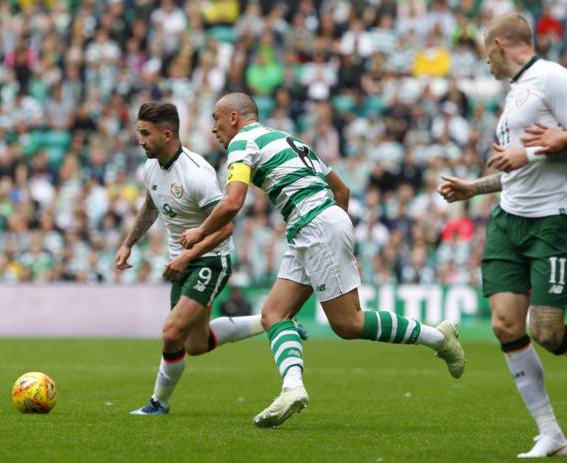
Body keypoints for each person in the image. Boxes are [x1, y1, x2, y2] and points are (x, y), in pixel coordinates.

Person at [180, 92, 465, 428]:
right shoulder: (287, 138)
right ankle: (292, 388)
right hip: (312, 227)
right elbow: (341, 190)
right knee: (274, 314)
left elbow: (232, 203)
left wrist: (199, 233)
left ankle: (438, 337)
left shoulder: (242, 143)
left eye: (216, 118)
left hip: (315, 226)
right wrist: (334, 230)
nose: (213, 128)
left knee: (348, 324)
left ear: (234, 118)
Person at [115, 102, 306, 416]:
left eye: (146, 133)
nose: (141, 140)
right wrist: (128, 243)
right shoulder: (150, 168)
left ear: (167, 134)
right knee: (195, 344)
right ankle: (274, 322)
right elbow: (150, 207)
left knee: (172, 332)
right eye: (139, 133)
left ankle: (158, 403)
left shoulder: (196, 173)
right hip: (183, 262)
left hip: (210, 261)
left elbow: (226, 228)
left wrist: (188, 254)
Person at [438, 14, 567, 458]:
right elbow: (518, 169)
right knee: (505, 324)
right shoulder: (516, 94)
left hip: (552, 219)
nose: (484, 61)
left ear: (498, 44)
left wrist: (534, 148)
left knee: (548, 334)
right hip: (508, 219)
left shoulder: (552, 78)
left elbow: (538, 151)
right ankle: (550, 431)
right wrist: (473, 187)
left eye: (484, 51)